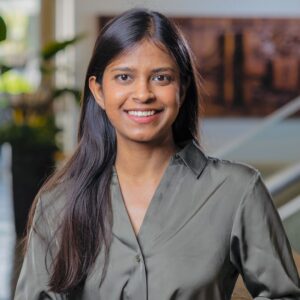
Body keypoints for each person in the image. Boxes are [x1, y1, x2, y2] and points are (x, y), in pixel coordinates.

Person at [14, 8, 300, 300]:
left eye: (161, 78)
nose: (142, 94)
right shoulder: (58, 204)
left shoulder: (237, 191)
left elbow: (285, 295)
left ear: (183, 88)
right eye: (124, 77)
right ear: (98, 91)